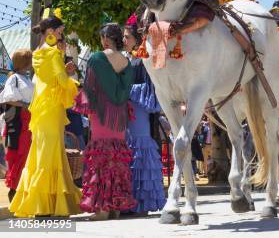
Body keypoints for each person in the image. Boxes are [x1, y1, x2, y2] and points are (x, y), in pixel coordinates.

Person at [9, 14, 82, 218]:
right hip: (51, 107)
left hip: (41, 107)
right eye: (59, 32)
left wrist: (61, 63)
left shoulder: (37, 53)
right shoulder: (51, 53)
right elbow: (61, 80)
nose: (61, 35)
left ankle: (42, 203)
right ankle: (47, 206)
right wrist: (76, 86)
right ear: (50, 32)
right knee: (50, 152)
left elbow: (50, 78)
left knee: (41, 151)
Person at [74, 23, 136, 220]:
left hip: (101, 114)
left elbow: (89, 90)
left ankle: (101, 208)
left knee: (101, 155)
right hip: (119, 115)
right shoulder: (126, 62)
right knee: (116, 156)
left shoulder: (97, 58)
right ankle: (116, 206)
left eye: (102, 38)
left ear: (106, 39)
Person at [122, 18, 166, 216]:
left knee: (140, 150)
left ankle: (143, 202)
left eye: (127, 36)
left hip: (139, 111)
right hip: (127, 112)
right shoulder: (129, 58)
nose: (124, 40)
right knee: (130, 152)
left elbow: (150, 89)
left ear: (136, 38)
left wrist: (126, 90)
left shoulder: (144, 58)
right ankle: (130, 200)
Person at [0, 49, 34, 202]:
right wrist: (25, 105)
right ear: (25, 61)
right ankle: (14, 189)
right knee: (19, 154)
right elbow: (7, 98)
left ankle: (20, 188)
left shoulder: (25, 78)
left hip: (28, 119)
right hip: (19, 119)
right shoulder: (13, 78)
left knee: (26, 154)